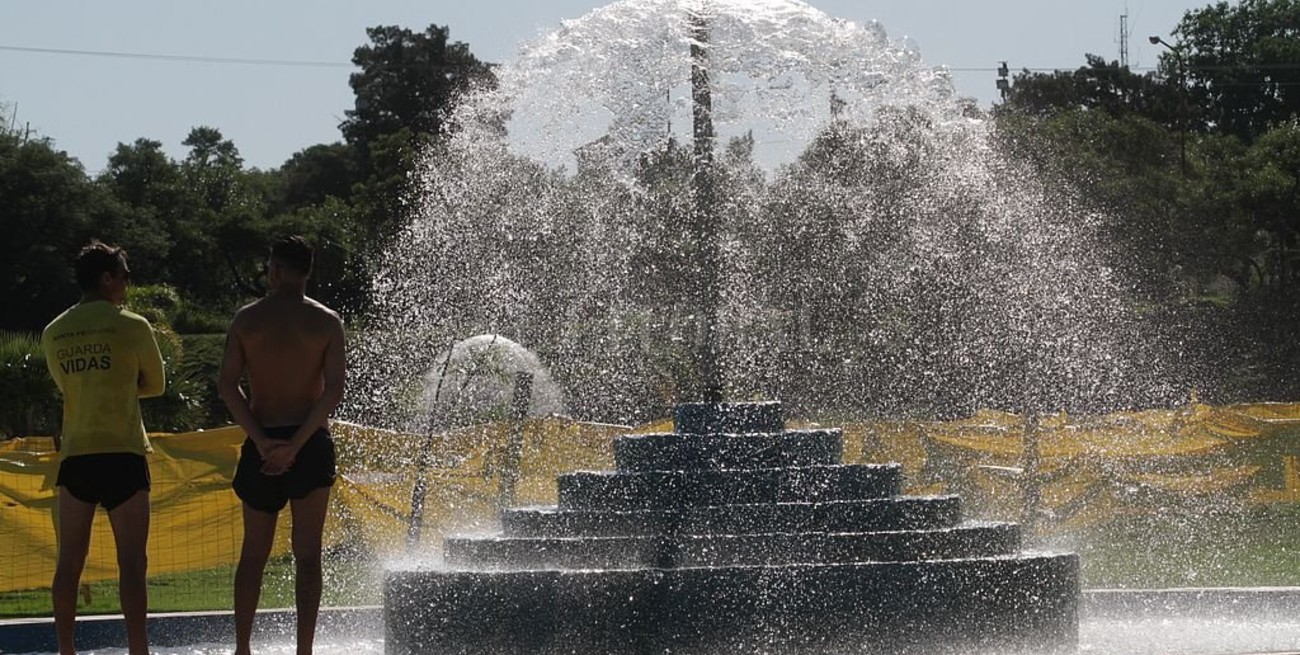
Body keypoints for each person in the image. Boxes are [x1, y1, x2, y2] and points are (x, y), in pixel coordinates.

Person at [218, 235, 346, 655]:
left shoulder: (247, 320)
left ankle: (242, 648)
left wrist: (262, 442)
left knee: (253, 554)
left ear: (274, 269)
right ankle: (304, 650)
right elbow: (332, 393)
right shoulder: (326, 322)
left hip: (264, 441)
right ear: (308, 271)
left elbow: (227, 386)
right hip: (308, 442)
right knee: (307, 554)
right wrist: (295, 446)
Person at [41, 241, 166, 655]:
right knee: (132, 562)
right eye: (125, 275)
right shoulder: (133, 325)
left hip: (76, 455)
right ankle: (138, 650)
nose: (128, 284)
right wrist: (121, 384)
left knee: (68, 565)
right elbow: (157, 384)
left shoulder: (54, 331)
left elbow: (68, 387)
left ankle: (65, 650)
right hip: (123, 451)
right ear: (107, 278)